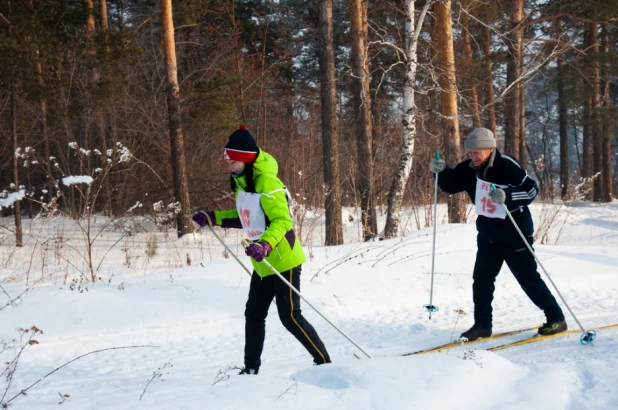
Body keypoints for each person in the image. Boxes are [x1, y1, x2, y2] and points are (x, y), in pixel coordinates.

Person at [192, 125, 331, 374]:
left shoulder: (267, 181)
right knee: (254, 314)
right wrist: (214, 217)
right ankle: (251, 369)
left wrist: (265, 244)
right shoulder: (243, 181)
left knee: (290, 317)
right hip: (262, 261)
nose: (229, 167)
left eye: (233, 162)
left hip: (283, 259)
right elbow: (245, 216)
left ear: (245, 159)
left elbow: (283, 220)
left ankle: (324, 362)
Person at [429, 127, 567, 341]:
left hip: (515, 235)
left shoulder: (507, 165)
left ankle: (556, 318)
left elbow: (531, 190)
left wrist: (507, 195)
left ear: (490, 149)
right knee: (482, 280)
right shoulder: (468, 168)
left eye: (477, 152)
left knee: (528, 280)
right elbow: (450, 185)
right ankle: (483, 326)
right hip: (488, 235)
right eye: (470, 152)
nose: (472, 157)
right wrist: (441, 170)